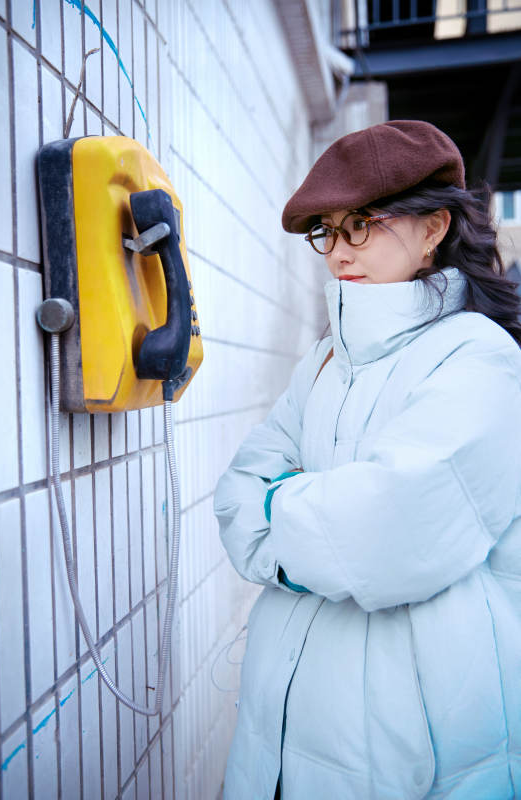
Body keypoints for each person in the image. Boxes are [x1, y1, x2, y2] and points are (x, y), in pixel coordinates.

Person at [213, 120, 521, 799]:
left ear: (434, 226)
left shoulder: (481, 358)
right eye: (327, 229)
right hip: (286, 717)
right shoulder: (324, 361)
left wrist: (286, 512)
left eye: (362, 225)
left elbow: (388, 532)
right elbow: (236, 494)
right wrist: (322, 519)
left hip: (413, 737)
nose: (337, 253)